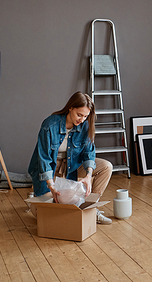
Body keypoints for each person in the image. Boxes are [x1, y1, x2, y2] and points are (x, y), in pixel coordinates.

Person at [28, 91, 113, 224]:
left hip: (72, 166)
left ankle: (90, 208)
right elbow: (43, 158)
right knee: (44, 215)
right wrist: (51, 185)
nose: (82, 119)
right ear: (70, 108)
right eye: (79, 115)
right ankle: (35, 199)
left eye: (85, 116)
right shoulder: (49, 125)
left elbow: (89, 153)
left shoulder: (85, 125)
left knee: (107, 166)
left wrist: (89, 176)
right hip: (51, 170)